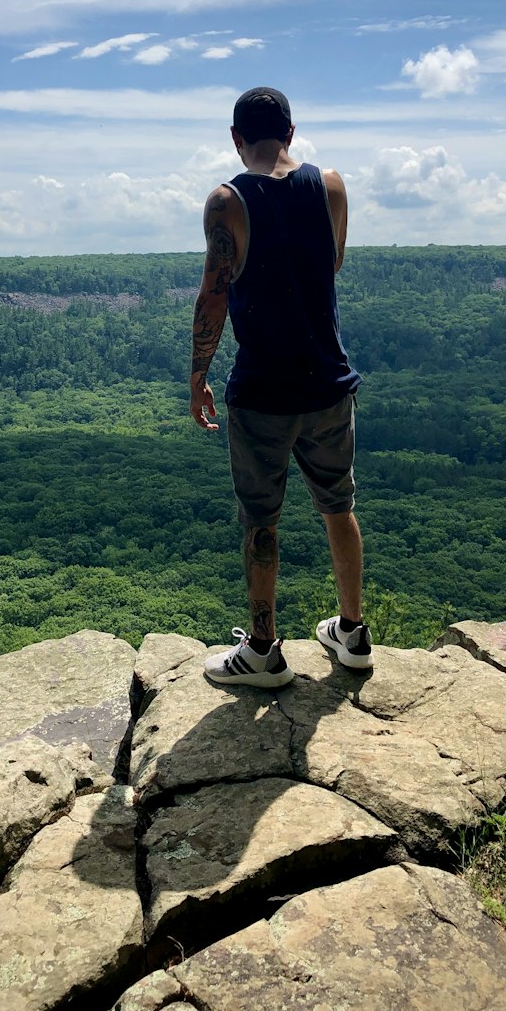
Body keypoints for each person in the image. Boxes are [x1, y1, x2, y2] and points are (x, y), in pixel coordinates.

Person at [189, 86, 372, 688]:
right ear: (291, 133)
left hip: (262, 391)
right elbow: (333, 263)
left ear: (237, 141)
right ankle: (352, 633)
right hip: (328, 383)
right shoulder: (332, 186)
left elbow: (214, 295)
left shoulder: (227, 201)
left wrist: (199, 377)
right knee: (338, 505)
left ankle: (263, 652)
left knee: (261, 520)